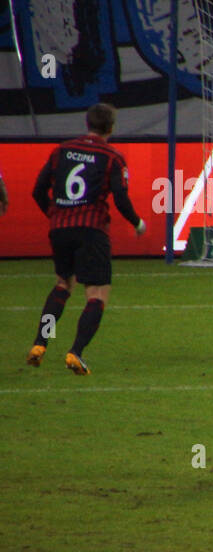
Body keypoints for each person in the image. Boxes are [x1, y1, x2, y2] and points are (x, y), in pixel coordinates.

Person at [27, 103, 147, 374]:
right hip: (92, 230)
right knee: (97, 293)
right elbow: (120, 196)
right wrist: (137, 223)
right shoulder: (112, 157)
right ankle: (75, 352)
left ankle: (40, 344)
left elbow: (37, 190)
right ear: (111, 128)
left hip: (59, 229)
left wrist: (56, 216)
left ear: (87, 123)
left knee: (62, 284)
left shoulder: (61, 151)